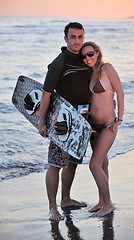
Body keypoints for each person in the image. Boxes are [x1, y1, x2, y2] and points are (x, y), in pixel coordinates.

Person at [39, 22, 92, 221]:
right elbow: (46, 95)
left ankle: (66, 198)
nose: (77, 41)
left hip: (81, 120)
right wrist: (42, 123)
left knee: (72, 162)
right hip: (61, 122)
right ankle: (53, 208)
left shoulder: (85, 58)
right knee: (55, 164)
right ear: (66, 38)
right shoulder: (59, 63)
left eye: (80, 37)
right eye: (73, 37)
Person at [80, 41, 124, 217]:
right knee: (103, 163)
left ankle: (108, 204)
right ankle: (101, 201)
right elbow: (94, 100)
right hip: (93, 126)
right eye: (83, 56)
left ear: (97, 53)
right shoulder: (91, 73)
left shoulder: (107, 68)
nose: (87, 58)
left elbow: (120, 92)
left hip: (107, 126)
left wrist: (118, 119)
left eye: (90, 54)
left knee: (94, 164)